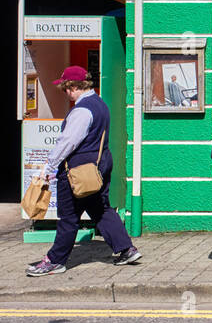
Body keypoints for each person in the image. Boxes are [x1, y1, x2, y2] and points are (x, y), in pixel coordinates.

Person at [26, 66, 143, 276]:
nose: (65, 93)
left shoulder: (81, 110)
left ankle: (55, 260)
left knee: (68, 217)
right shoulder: (100, 104)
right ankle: (127, 249)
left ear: (73, 86)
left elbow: (68, 141)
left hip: (77, 171)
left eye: (65, 88)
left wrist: (50, 165)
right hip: (98, 166)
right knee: (101, 208)